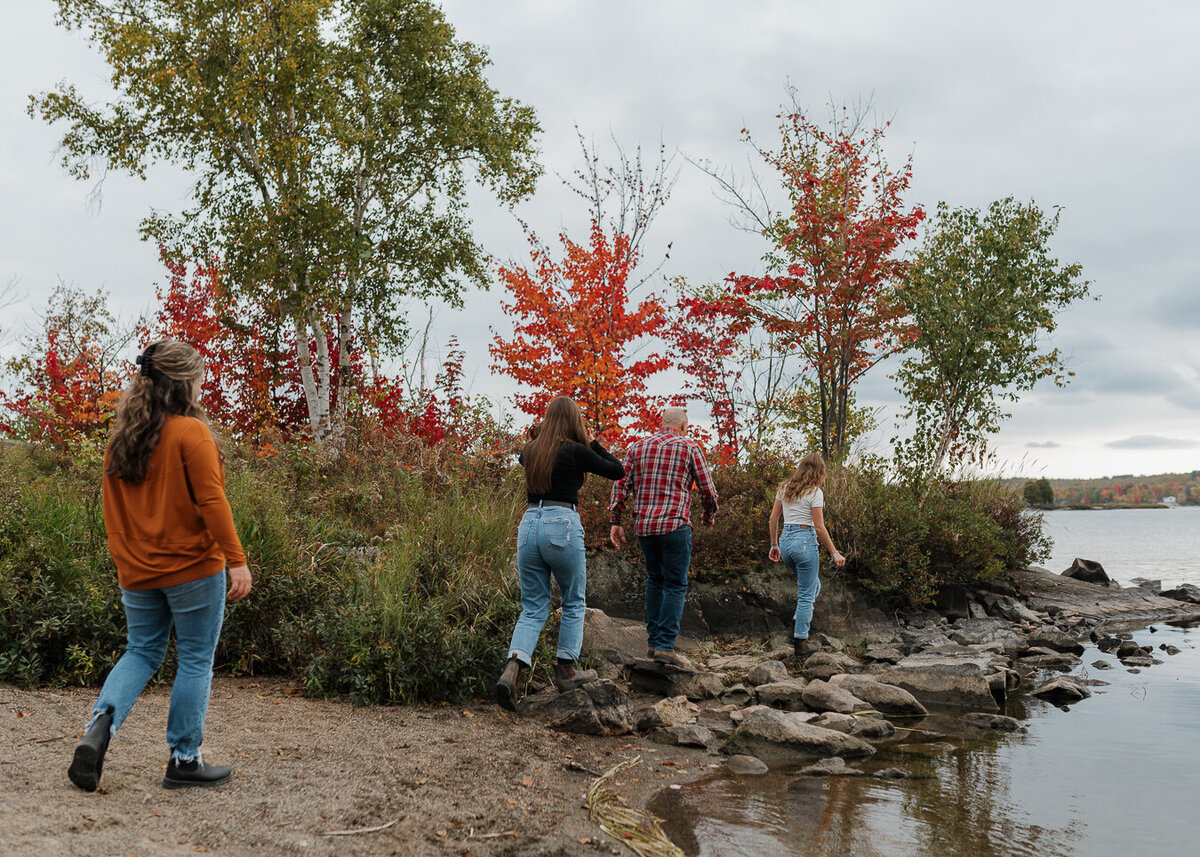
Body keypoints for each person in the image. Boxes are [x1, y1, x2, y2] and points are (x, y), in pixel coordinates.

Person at [68, 339, 252, 792]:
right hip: (193, 569)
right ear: (184, 383)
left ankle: (101, 726)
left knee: (142, 652)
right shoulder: (192, 433)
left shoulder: (121, 442)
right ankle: (184, 760)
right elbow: (212, 501)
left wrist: (126, 562)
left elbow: (112, 513)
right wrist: (238, 561)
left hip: (138, 572)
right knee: (193, 659)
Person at [494, 397, 625, 711]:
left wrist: (536, 434)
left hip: (529, 525)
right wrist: (592, 441)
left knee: (533, 606)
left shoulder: (530, 451)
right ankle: (566, 670)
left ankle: (511, 670)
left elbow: (531, 449)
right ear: (573, 422)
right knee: (573, 599)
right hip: (562, 523)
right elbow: (617, 470)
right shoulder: (577, 451)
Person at [609, 406, 718, 669]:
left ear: (661, 424)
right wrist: (708, 513)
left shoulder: (636, 447)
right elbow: (708, 490)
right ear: (683, 425)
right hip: (675, 526)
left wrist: (615, 520)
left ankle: (653, 643)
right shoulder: (690, 447)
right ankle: (666, 647)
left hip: (645, 528)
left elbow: (620, 485)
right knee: (675, 585)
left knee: (655, 581)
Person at [768, 452, 845, 657]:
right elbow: (819, 528)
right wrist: (834, 553)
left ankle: (796, 624)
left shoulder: (784, 488)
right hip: (804, 542)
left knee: (812, 586)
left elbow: (773, 518)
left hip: (785, 542)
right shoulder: (815, 492)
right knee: (806, 594)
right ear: (819, 472)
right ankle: (801, 642)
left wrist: (774, 544)